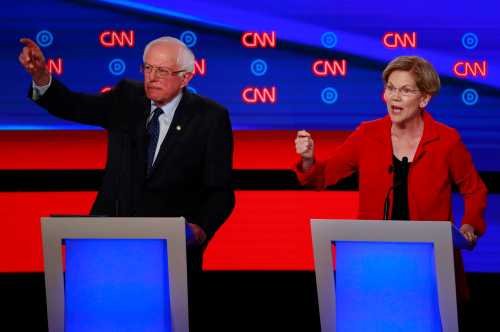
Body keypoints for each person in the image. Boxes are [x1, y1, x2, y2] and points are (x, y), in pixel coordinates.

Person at [19, 36, 235, 274]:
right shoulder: (126, 97)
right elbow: (75, 105)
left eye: (162, 71)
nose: (151, 78)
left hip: (170, 254)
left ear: (186, 77)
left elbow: (221, 192)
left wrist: (200, 229)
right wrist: (41, 78)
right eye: (148, 68)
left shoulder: (210, 118)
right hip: (109, 244)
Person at [294, 56, 487, 308]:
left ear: (424, 99)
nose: (394, 97)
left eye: (405, 90)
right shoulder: (367, 135)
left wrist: (469, 226)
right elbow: (322, 176)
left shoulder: (446, 140)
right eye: (390, 88)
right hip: (375, 258)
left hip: (428, 260)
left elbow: (475, 190)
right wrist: (308, 160)